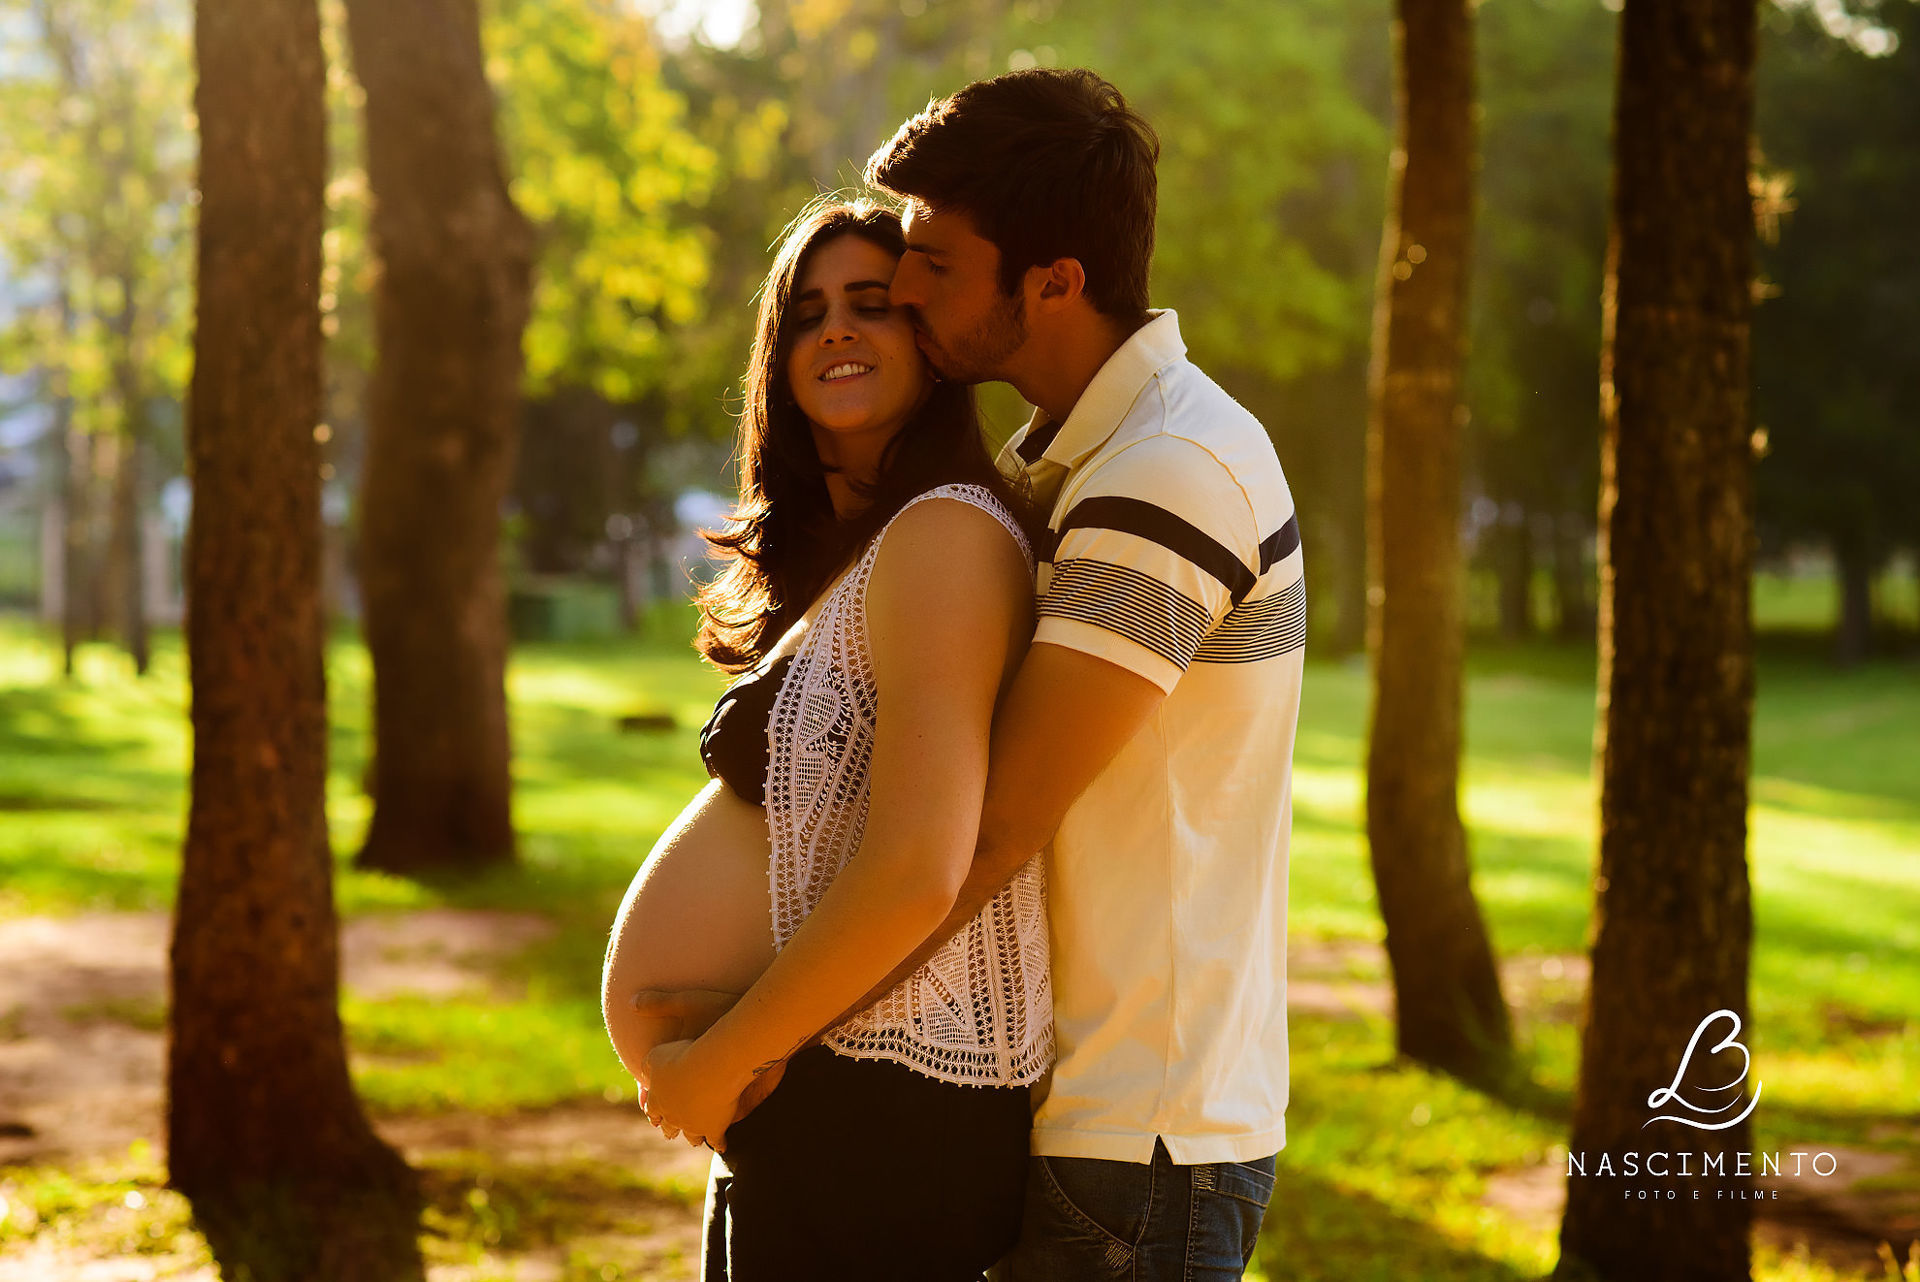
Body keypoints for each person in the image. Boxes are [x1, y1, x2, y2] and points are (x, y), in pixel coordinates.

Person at [639, 68, 1306, 1281]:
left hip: (1137, 1134)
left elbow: (985, 832)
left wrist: (745, 1043)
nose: (904, 289)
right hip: (1077, 1112)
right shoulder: (1072, 464)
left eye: (936, 267)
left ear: (1051, 284)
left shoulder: (1172, 474)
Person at [598, 198, 1052, 1281]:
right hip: (808, 1107)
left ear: (932, 346)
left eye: (872, 306)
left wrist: (728, 1057)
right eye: (807, 313)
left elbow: (918, 870)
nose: (837, 330)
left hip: (884, 1123)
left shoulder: (946, 533)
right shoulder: (867, 552)